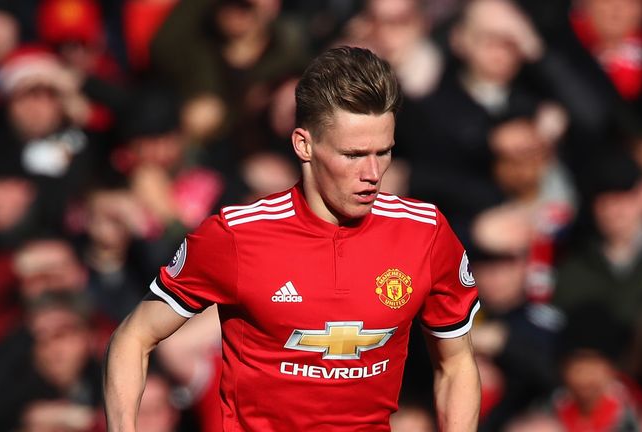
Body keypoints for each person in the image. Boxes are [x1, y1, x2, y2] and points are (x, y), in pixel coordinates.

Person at [104, 46, 481, 431]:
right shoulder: (237, 236)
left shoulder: (425, 233)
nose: (373, 172)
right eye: (353, 155)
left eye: (383, 152)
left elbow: (456, 364)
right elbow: (133, 337)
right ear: (304, 144)